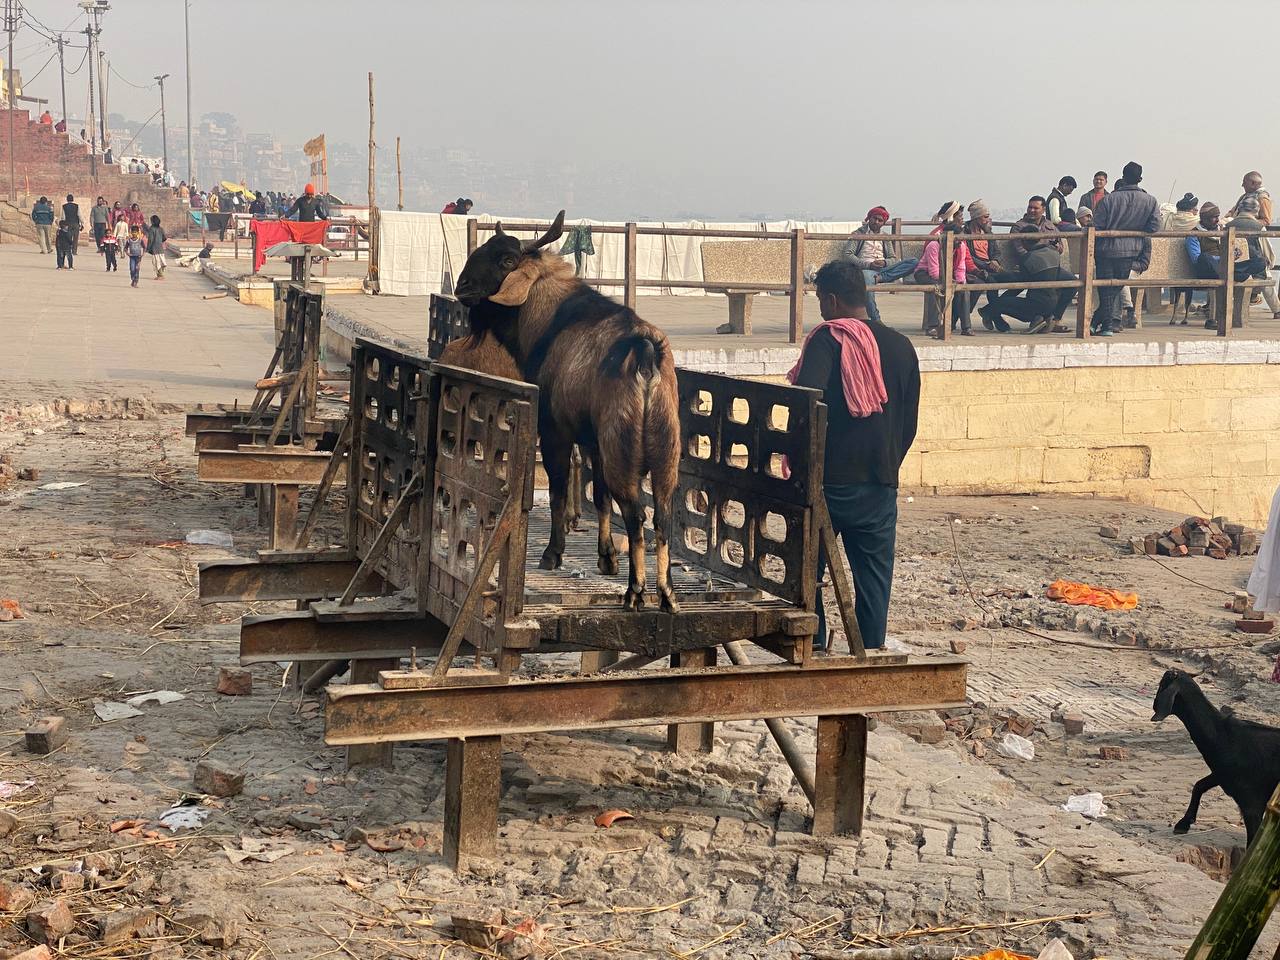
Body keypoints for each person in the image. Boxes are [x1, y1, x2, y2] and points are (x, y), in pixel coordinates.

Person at [791, 261, 919, 651]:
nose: (820, 309)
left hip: (827, 483)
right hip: (879, 483)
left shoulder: (829, 339)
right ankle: (870, 652)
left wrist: (800, 466)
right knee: (873, 580)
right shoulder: (902, 346)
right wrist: (887, 464)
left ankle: (811, 646)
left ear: (832, 300)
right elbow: (908, 424)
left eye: (819, 299)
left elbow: (805, 407)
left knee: (807, 571)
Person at [1092, 161, 1161, 337]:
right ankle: (1102, 324)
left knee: (1106, 289)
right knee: (1116, 287)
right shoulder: (1150, 201)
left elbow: (1096, 226)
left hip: (1105, 251)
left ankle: (1102, 324)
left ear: (1123, 177)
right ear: (1140, 179)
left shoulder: (1109, 199)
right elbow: (1154, 227)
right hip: (1130, 251)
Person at [980, 224, 1076, 334]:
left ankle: (987, 310)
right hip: (1052, 305)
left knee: (998, 302)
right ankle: (1050, 318)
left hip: (1033, 306)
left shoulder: (1027, 258)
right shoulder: (1053, 253)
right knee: (1008, 298)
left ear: (1023, 242)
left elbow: (1020, 283)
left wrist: (1001, 274)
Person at [841, 206, 919, 323]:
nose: (876, 222)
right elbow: (848, 255)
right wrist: (868, 265)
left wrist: (885, 262)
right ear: (869, 218)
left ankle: (879, 277)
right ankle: (876, 320)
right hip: (866, 270)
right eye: (874, 218)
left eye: (880, 220)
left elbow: (893, 258)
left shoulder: (885, 237)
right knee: (867, 279)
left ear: (883, 223)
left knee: (913, 262)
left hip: (884, 269)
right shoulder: (858, 234)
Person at [914, 220, 974, 336]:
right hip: (925, 273)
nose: (960, 242)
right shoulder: (934, 245)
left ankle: (966, 327)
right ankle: (932, 326)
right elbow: (934, 271)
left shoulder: (961, 246)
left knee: (964, 290)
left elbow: (960, 268)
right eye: (957, 239)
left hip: (948, 274)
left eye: (961, 239)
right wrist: (947, 281)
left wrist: (959, 282)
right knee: (935, 288)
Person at [1225, 197, 1280, 319]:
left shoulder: (1227, 226)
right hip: (1252, 269)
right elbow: (1267, 251)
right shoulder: (1258, 227)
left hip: (1230, 268)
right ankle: (1277, 310)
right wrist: (1269, 264)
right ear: (1256, 210)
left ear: (1240, 209)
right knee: (1267, 275)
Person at [964, 199, 1014, 331]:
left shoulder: (988, 233)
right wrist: (986, 265)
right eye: (985, 217)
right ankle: (995, 316)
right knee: (992, 282)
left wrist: (995, 261)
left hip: (991, 267)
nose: (988, 220)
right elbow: (968, 256)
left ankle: (989, 310)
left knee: (1017, 279)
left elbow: (996, 251)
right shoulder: (965, 234)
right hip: (976, 269)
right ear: (976, 217)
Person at [146, 215, 167, 279]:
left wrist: (148, 248)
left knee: (156, 262)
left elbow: (150, 240)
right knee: (161, 261)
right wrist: (160, 241)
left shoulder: (151, 229)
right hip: (160, 247)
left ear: (152, 221)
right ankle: (160, 274)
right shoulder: (161, 229)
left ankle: (160, 275)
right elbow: (164, 238)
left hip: (154, 248)